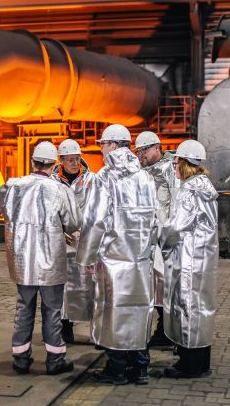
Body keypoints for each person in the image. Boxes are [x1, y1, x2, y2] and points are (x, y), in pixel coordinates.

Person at [0, 141, 81, 376]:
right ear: (54, 165)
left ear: (32, 162)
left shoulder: (13, 185)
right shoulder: (60, 190)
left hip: (22, 263)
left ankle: (21, 360)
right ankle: (54, 360)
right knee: (52, 311)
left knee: (24, 309)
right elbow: (73, 223)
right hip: (51, 263)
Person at [77, 124, 157, 385]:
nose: (101, 149)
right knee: (138, 310)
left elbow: (95, 220)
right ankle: (140, 367)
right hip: (140, 260)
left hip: (113, 259)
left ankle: (117, 369)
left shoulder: (105, 177)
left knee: (114, 312)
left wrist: (87, 256)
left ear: (113, 145)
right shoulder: (145, 177)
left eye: (102, 144)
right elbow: (155, 220)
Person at [160, 139, 218, 379]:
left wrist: (160, 240)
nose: (174, 168)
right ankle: (202, 362)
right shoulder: (205, 186)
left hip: (188, 259)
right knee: (201, 309)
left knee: (187, 308)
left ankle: (189, 365)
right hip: (203, 259)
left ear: (184, 164)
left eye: (176, 163)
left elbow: (176, 227)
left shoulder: (189, 190)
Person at [134, 130, 177, 348]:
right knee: (151, 286)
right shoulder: (138, 172)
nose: (141, 154)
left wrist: (172, 233)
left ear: (157, 147)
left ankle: (166, 331)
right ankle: (158, 329)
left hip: (164, 238)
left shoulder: (170, 169)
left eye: (145, 150)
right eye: (138, 151)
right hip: (145, 238)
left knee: (165, 284)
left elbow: (177, 202)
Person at [52, 139, 96, 343]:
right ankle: (65, 328)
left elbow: (97, 207)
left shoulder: (92, 180)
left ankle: (96, 331)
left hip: (85, 239)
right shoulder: (53, 182)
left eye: (77, 159)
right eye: (69, 160)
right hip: (61, 242)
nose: (74, 163)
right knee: (63, 288)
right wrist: (61, 231)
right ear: (61, 161)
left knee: (91, 287)